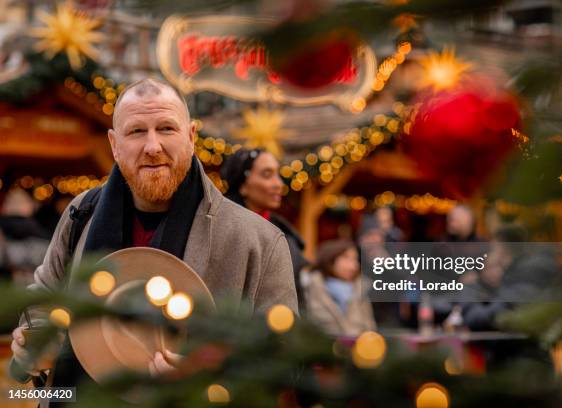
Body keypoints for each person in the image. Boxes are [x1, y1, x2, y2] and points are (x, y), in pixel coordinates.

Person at [10, 78, 298, 395]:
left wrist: (210, 380)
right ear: (114, 144)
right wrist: (34, 345)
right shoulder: (82, 213)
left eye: (166, 129)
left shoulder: (259, 240)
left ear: (190, 136)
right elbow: (45, 298)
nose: (152, 147)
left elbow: (287, 360)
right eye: (136, 131)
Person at [221, 148, 308, 309]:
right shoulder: (221, 232)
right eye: (267, 175)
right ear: (242, 185)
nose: (279, 184)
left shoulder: (288, 238)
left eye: (278, 175)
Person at [304, 239, 376, 337]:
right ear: (330, 259)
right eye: (346, 258)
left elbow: (370, 329)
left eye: (355, 259)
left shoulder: (361, 290)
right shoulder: (310, 288)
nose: (354, 266)